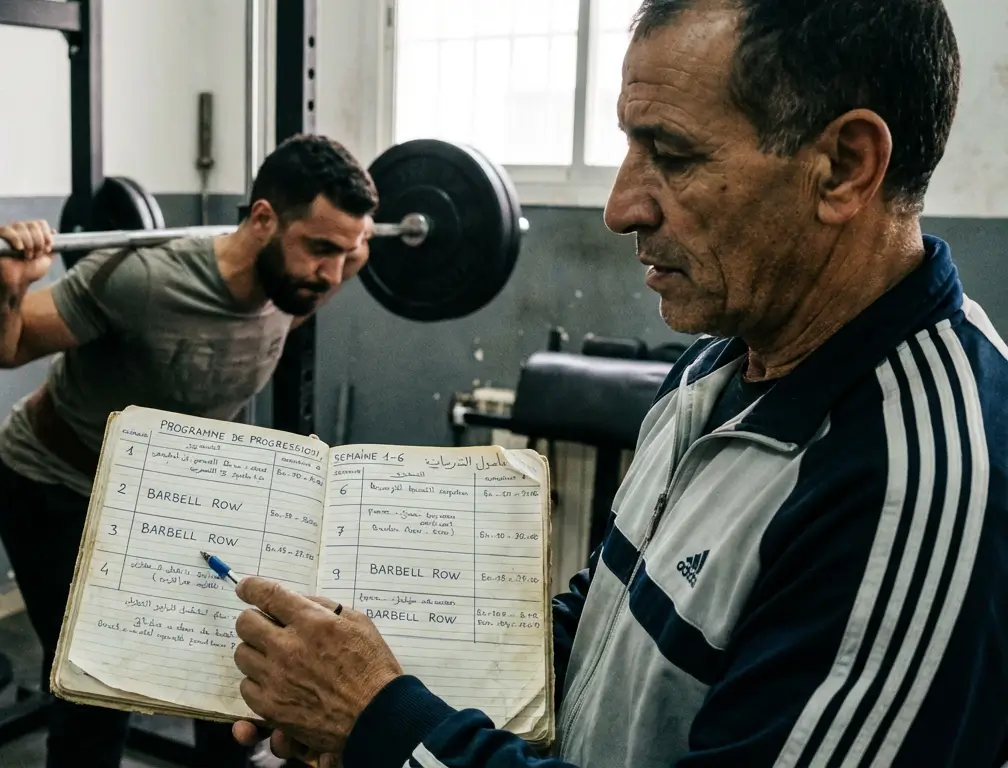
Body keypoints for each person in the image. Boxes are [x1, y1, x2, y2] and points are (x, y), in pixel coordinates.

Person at [227, 1, 1008, 766]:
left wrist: (385, 722)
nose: (619, 206)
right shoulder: (714, 365)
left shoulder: (919, 487)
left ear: (842, 167)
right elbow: (600, 620)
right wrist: (353, 698)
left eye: (669, 152)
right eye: (629, 146)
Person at [0, 134, 378, 768]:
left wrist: (345, 252)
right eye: (319, 248)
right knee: (97, 682)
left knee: (230, 663)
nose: (330, 272)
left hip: (174, 494)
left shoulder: (300, 286)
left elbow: (340, 260)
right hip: (54, 483)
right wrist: (10, 288)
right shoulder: (140, 279)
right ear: (262, 219)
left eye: (346, 254)